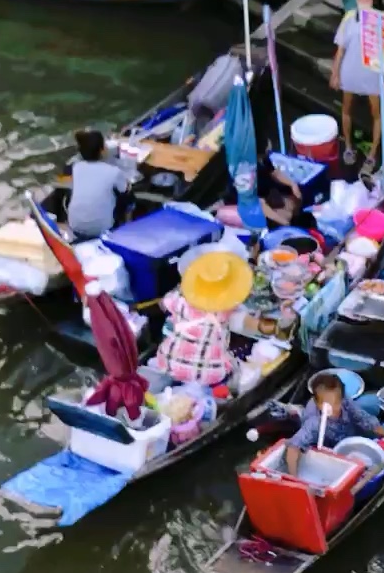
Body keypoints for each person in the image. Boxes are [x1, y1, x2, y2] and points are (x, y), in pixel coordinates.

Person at [152, 251, 252, 384]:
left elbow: (163, 304)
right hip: (211, 374)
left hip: (169, 363)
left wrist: (179, 292)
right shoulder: (225, 309)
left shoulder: (178, 299)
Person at [285, 372, 384, 477]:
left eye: (336, 403)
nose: (332, 409)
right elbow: (293, 446)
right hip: (335, 450)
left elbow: (368, 422)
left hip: (352, 431)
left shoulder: (346, 402)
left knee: (377, 407)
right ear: (317, 404)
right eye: (327, 404)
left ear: (342, 398)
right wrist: (295, 480)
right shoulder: (315, 422)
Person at [331, 0, 384, 169]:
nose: (362, 1)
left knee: (377, 114)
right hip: (350, 72)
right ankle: (348, 146)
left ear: (375, 0)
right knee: (346, 109)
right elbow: (340, 50)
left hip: (373, 75)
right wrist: (335, 73)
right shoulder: (349, 18)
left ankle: (373, 153)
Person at [65, 127, 130, 239]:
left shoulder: (76, 167)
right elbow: (125, 189)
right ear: (102, 150)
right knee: (128, 197)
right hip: (102, 229)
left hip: (75, 226)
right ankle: (128, 228)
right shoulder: (114, 172)